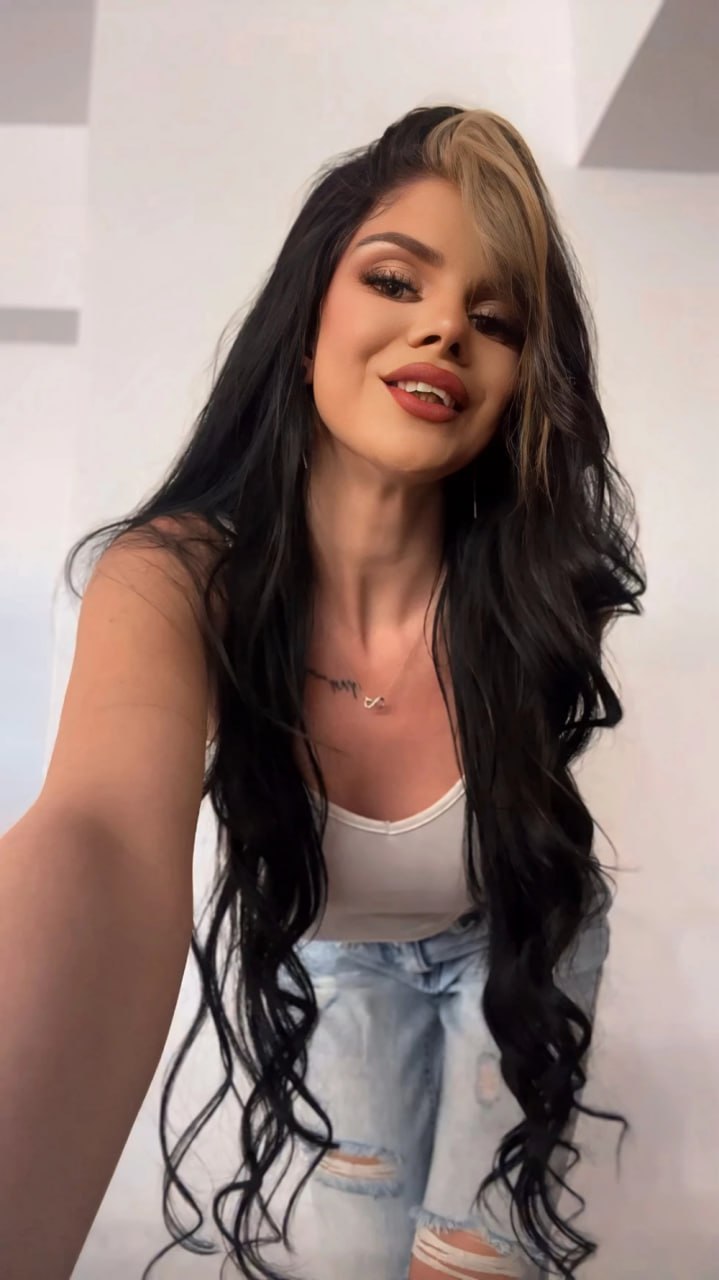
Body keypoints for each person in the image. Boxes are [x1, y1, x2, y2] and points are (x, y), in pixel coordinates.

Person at [0, 105, 646, 1280]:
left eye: (493, 319)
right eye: (396, 281)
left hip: (520, 940)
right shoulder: (174, 581)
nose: (443, 327)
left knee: (464, 1266)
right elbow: (99, 834)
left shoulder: (524, 589)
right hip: (336, 958)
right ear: (306, 327)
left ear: (514, 386)